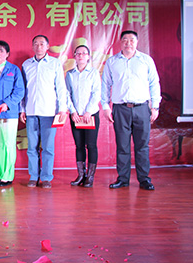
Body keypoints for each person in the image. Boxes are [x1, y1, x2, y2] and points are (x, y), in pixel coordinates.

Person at [102, 30, 161, 191]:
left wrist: (155, 106)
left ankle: (144, 179)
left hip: (142, 108)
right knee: (122, 146)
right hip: (120, 109)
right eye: (125, 40)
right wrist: (106, 107)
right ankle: (123, 179)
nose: (128, 43)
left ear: (137, 42)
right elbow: (105, 84)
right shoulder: (112, 61)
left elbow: (154, 83)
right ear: (120, 42)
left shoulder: (146, 60)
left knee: (142, 146)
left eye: (131, 40)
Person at [20, 35, 68, 189]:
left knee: (47, 147)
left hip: (49, 111)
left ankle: (46, 177)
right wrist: (22, 109)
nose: (39, 46)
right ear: (32, 46)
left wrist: (62, 109)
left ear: (47, 46)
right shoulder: (26, 64)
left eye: (42, 44)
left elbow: (61, 87)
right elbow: (23, 89)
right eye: (36, 44)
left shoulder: (55, 63)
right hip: (31, 111)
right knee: (32, 147)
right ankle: (34, 176)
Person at [0, 40, 25, 187]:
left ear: (7, 54)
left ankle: (8, 176)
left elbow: (19, 91)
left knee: (9, 144)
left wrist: (7, 104)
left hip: (9, 112)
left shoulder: (14, 70)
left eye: (1, 51)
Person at [65, 45, 101, 188]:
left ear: (88, 57)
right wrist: (73, 111)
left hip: (90, 115)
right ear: (74, 56)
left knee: (91, 145)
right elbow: (67, 94)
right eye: (78, 53)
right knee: (79, 145)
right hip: (76, 116)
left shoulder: (93, 73)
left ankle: (90, 177)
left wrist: (88, 111)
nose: (80, 56)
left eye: (84, 53)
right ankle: (81, 175)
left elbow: (96, 93)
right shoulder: (70, 74)